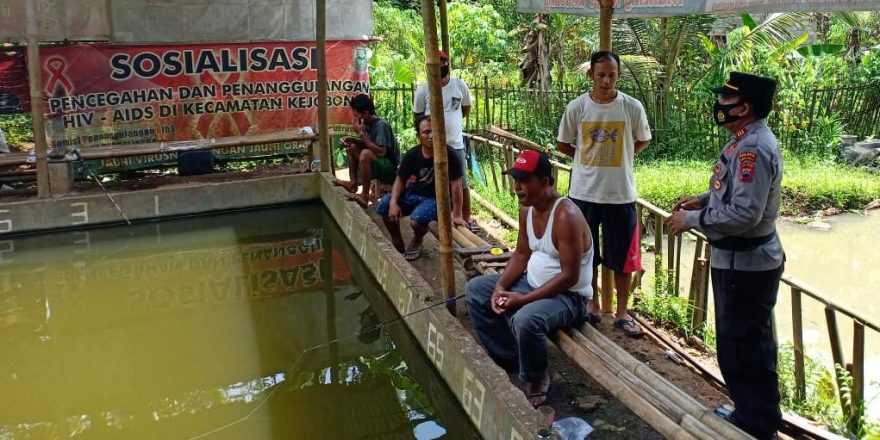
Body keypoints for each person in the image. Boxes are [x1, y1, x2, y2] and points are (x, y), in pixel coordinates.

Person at [665, 72, 783, 440]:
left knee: (745, 346)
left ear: (744, 108)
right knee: (740, 342)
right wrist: (703, 199)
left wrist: (693, 218)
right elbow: (733, 192)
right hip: (735, 262)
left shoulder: (752, 149)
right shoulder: (743, 141)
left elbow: (746, 214)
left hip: (746, 264)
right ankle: (750, 413)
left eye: (727, 100)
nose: (720, 105)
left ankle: (757, 425)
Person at [466, 150, 592, 408]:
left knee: (526, 319)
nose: (517, 187)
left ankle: (536, 377)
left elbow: (569, 276)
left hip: (569, 297)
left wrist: (522, 298)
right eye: (515, 180)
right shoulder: (527, 210)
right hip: (531, 282)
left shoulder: (566, 215)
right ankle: (512, 357)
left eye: (524, 180)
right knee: (477, 290)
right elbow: (521, 253)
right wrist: (500, 286)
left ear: (546, 182)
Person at [556, 51, 651, 337]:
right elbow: (563, 144)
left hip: (620, 194)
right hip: (583, 193)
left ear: (618, 75)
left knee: (622, 257)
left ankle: (622, 312)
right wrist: (585, 158)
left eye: (612, 75)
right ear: (591, 76)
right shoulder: (577, 107)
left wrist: (622, 157)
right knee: (587, 253)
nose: (606, 80)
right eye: (601, 75)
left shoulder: (631, 107)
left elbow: (643, 139)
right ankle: (592, 304)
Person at [375, 115, 467, 261]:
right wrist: (393, 203)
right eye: (426, 132)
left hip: (436, 199)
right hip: (413, 194)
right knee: (385, 204)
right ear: (419, 136)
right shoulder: (413, 154)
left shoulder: (451, 155)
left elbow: (457, 187)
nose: (431, 136)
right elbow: (400, 180)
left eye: (434, 131)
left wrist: (456, 215)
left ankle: (417, 239)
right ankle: (397, 239)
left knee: (417, 220)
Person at [413, 51, 477, 231]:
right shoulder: (423, 89)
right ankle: (436, 217)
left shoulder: (459, 86)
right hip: (433, 146)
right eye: (436, 63)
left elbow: (465, 109)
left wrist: (451, 124)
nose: (440, 66)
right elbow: (418, 116)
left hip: (455, 144)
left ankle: (465, 217)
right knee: (432, 182)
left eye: (443, 62)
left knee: (461, 183)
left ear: (447, 64)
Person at [333, 93, 400, 207]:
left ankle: (365, 196)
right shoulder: (367, 123)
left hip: (390, 168)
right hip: (377, 162)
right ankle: (353, 184)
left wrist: (362, 135)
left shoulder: (381, 125)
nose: (355, 118)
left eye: (357, 114)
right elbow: (368, 144)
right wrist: (353, 140)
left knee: (365, 154)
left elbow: (381, 152)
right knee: (352, 148)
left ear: (366, 113)